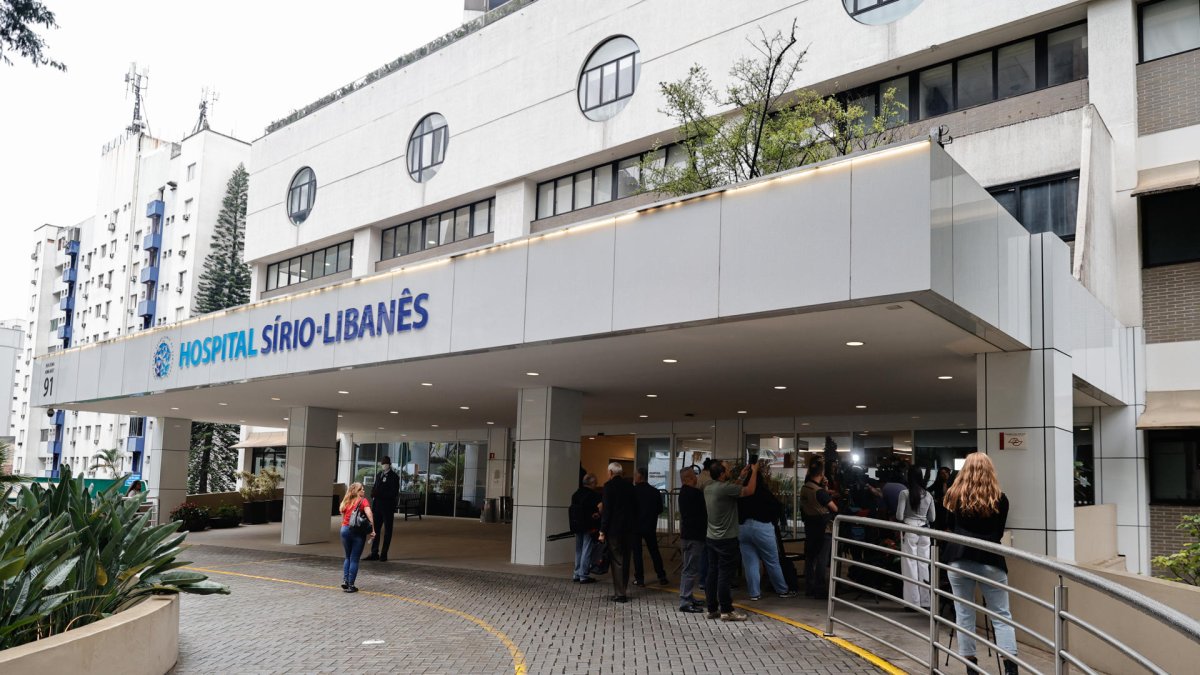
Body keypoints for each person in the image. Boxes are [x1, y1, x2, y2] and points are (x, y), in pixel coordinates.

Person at [943, 453, 1018, 675]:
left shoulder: (953, 496)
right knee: (1001, 615)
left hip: (958, 559)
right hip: (990, 560)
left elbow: (948, 527)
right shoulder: (1001, 499)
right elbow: (998, 533)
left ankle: (972, 669)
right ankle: (1010, 668)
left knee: (964, 614)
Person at [704, 459, 759, 621]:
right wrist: (754, 471)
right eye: (727, 469)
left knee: (712, 573)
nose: (730, 470)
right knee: (725, 575)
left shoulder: (709, 487)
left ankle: (712, 608)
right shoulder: (725, 488)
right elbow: (749, 491)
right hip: (726, 540)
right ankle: (726, 610)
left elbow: (731, 489)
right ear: (722, 474)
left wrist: (742, 476)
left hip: (711, 537)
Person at [738, 459, 797, 600]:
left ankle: (754, 593)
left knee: (750, 563)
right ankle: (782, 590)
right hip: (762, 528)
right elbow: (776, 509)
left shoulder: (740, 491)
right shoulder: (764, 493)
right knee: (771, 561)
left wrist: (742, 475)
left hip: (742, 528)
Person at [896, 465, 935, 610]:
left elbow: (899, 516)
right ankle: (926, 602)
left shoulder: (904, 494)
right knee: (924, 565)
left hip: (909, 530)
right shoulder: (928, 495)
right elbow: (932, 517)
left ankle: (912, 602)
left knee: (910, 566)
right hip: (925, 531)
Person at [799, 458, 838, 599]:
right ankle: (819, 589)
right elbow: (834, 507)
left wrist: (825, 488)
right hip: (823, 529)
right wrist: (826, 490)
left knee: (810, 558)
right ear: (821, 473)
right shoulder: (819, 492)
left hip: (810, 527)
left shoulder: (805, 488)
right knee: (822, 559)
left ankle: (809, 587)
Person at [599, 462, 637, 603]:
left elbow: (607, 511)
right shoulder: (630, 487)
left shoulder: (608, 487)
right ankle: (623, 589)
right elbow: (635, 508)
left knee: (617, 560)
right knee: (626, 559)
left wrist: (602, 530)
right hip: (629, 529)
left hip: (614, 529)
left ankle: (620, 593)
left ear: (610, 472)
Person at [676, 466, 707, 613]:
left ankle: (688, 596)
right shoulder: (695, 494)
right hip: (695, 536)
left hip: (687, 535)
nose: (696, 478)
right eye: (694, 475)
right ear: (688, 478)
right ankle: (685, 600)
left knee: (688, 567)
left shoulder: (683, 493)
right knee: (690, 569)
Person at [632, 467, 669, 586]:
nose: (634, 477)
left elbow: (629, 509)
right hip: (650, 526)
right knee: (654, 551)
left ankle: (640, 579)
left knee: (637, 553)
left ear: (640, 476)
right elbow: (660, 509)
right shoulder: (654, 491)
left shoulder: (633, 491)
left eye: (635, 475)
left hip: (635, 526)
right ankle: (662, 576)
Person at [339, 482, 376, 593]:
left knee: (347, 557)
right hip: (357, 532)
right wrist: (373, 529)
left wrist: (344, 528)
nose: (364, 491)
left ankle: (346, 581)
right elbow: (369, 514)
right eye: (361, 489)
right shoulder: (363, 501)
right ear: (356, 491)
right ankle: (351, 585)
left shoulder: (346, 501)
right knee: (354, 559)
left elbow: (343, 517)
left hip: (344, 530)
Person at [365, 456, 400, 562]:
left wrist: (380, 493)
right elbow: (375, 487)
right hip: (377, 507)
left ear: (389, 464)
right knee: (375, 530)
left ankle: (384, 554)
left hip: (387, 508)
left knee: (388, 531)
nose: (383, 465)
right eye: (382, 463)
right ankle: (374, 553)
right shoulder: (379, 474)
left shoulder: (394, 477)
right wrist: (373, 492)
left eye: (385, 463)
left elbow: (393, 493)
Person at [569, 473, 602, 584]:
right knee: (586, 549)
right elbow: (600, 508)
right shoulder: (594, 495)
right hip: (589, 526)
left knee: (578, 549)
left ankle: (576, 573)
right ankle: (584, 575)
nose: (596, 485)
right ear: (592, 483)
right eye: (596, 483)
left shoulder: (576, 494)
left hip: (577, 525)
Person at [929, 466, 952, 531]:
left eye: (946, 472)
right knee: (939, 523)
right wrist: (933, 498)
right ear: (939, 475)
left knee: (948, 524)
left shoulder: (952, 483)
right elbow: (928, 490)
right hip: (939, 506)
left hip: (949, 507)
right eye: (942, 473)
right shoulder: (937, 483)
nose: (945, 474)